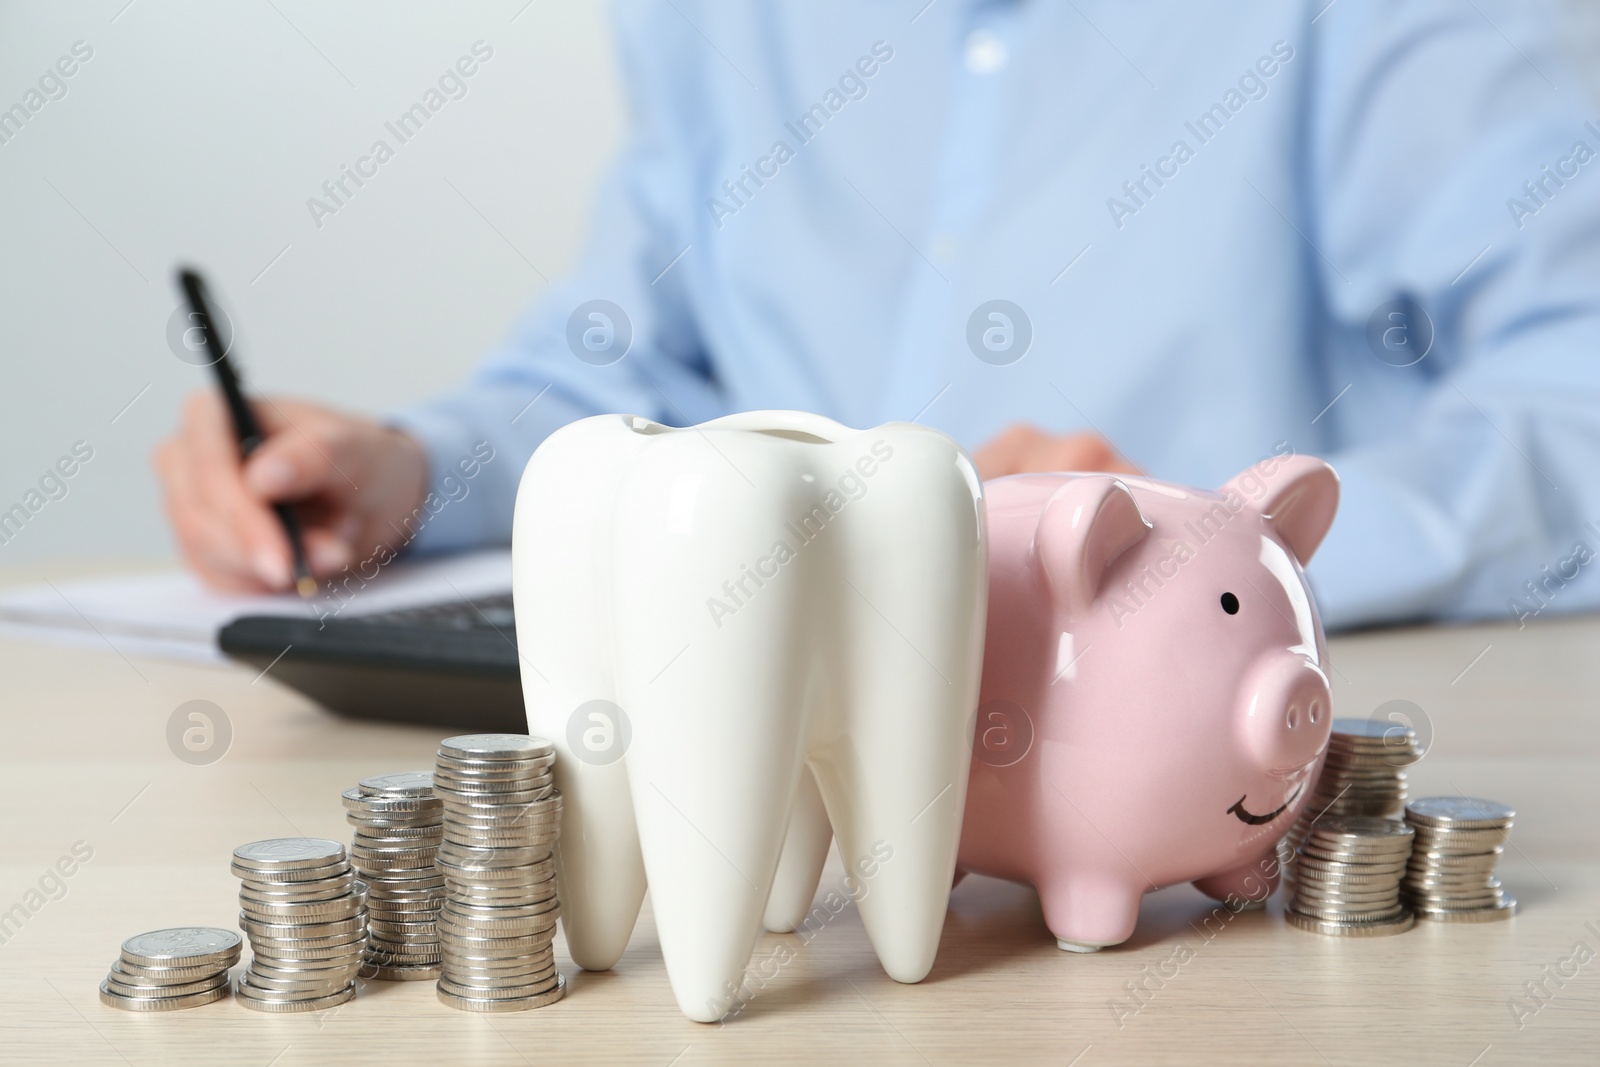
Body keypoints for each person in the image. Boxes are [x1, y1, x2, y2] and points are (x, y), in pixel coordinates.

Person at [153, 0, 1600, 631]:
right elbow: (632, 372)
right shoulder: (721, 18)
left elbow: (1577, 404)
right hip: (779, 754)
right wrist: (413, 471)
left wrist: (1213, 541)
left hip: (1214, 768)